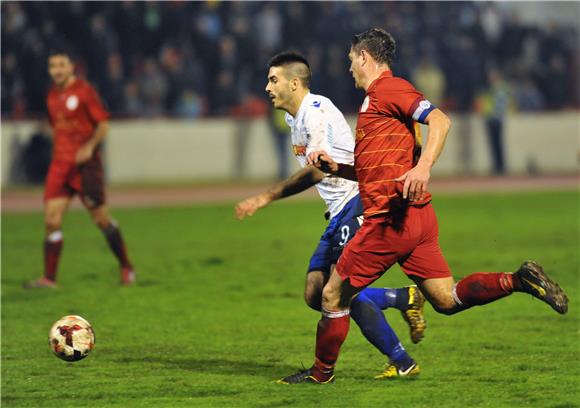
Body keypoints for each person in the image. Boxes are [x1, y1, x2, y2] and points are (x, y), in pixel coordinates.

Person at [279, 28, 569, 384]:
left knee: (332, 293)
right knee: (446, 299)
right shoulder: (375, 102)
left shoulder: (390, 89)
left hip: (388, 220)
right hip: (417, 219)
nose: (349, 66)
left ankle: (321, 375)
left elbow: (440, 120)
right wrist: (338, 169)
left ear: (365, 57)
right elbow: (377, 169)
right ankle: (518, 280)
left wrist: (424, 166)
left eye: (351, 58)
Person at [235, 51, 426, 380]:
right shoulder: (293, 119)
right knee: (315, 292)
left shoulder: (315, 113)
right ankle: (401, 297)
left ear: (294, 83)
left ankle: (390, 361)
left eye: (273, 80)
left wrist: (266, 197)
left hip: (357, 201)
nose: (267, 87)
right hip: (338, 211)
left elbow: (318, 170)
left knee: (335, 293)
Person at [25, 48, 136, 288]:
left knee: (101, 220)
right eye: (53, 66)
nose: (57, 70)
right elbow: (57, 128)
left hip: (86, 167)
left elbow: (103, 125)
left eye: (61, 65)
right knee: (52, 220)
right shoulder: (52, 95)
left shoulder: (84, 92)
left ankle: (126, 266)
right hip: (60, 165)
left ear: (71, 67)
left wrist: (90, 146)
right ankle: (49, 278)